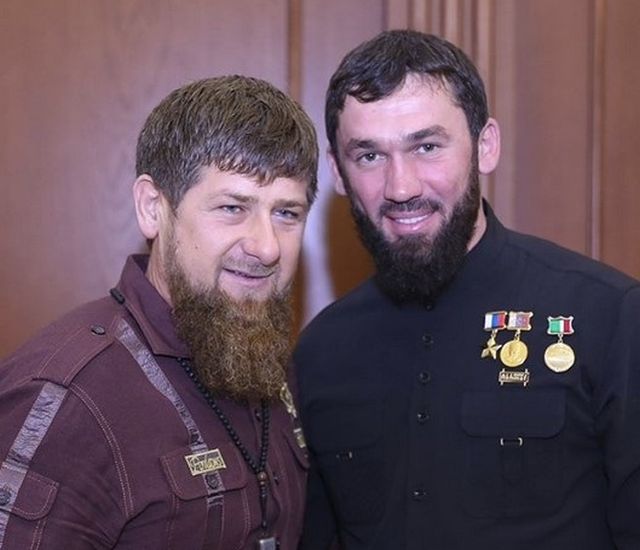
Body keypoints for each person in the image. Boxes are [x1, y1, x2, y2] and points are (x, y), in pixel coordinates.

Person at [293, 29, 640, 550]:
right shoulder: (319, 353)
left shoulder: (608, 316)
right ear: (337, 173)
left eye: (427, 147)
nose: (401, 187)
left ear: (485, 146)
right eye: (369, 156)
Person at [0, 75, 317, 549]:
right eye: (233, 207)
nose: (267, 247)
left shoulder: (268, 359)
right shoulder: (67, 398)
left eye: (287, 214)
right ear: (153, 208)